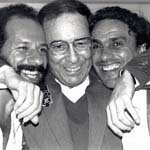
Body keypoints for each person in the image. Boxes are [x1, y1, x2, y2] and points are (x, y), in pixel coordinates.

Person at [22, 1, 150, 150]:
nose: (73, 58)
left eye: (81, 43)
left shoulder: (112, 81)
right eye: (58, 46)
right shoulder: (25, 91)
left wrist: (128, 77)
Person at [90, 6, 150, 149]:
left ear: (141, 50)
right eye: (96, 46)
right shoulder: (89, 88)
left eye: (116, 44)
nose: (104, 56)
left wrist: (129, 75)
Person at [0, 4, 48, 149]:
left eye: (42, 49)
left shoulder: (31, 111)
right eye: (23, 48)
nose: (38, 60)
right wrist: (6, 73)